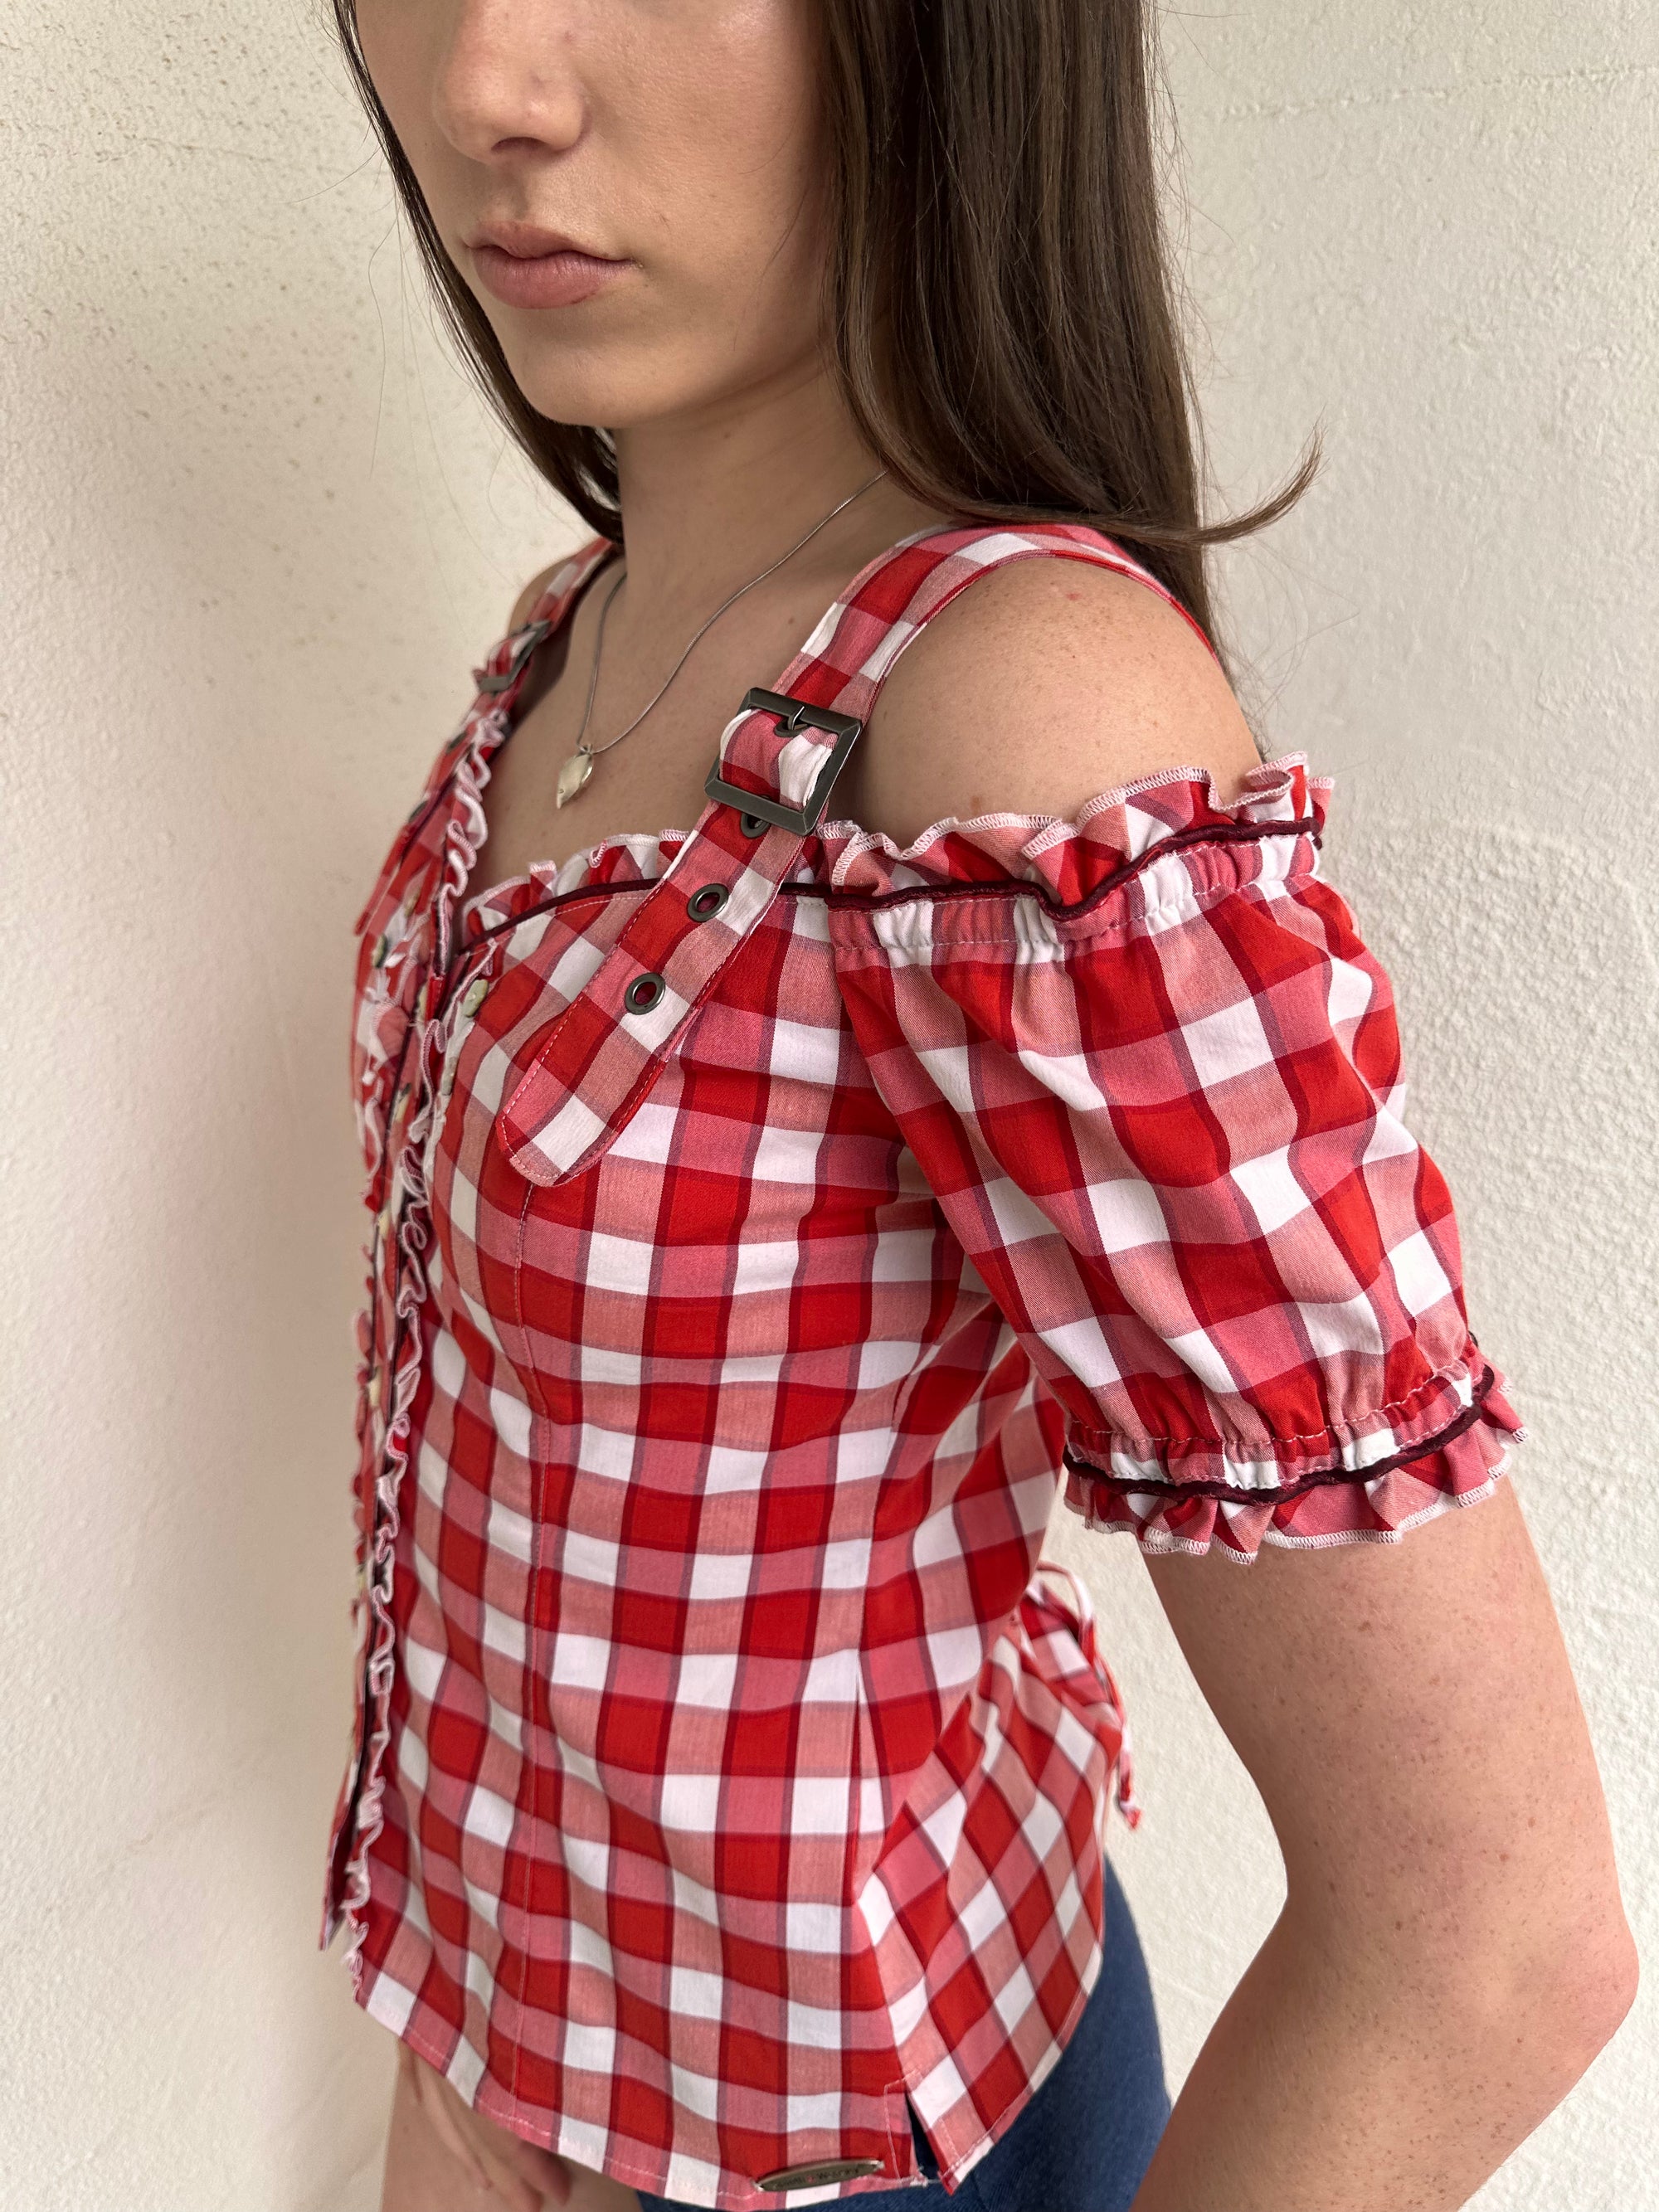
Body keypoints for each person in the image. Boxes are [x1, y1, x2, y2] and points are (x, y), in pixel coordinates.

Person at [318, 2, 1637, 2208]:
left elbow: (1488, 1946)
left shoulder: (1023, 728)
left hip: (879, 2138)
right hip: (520, 2071)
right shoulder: (581, 629)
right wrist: (461, 2076)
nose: (483, 88)